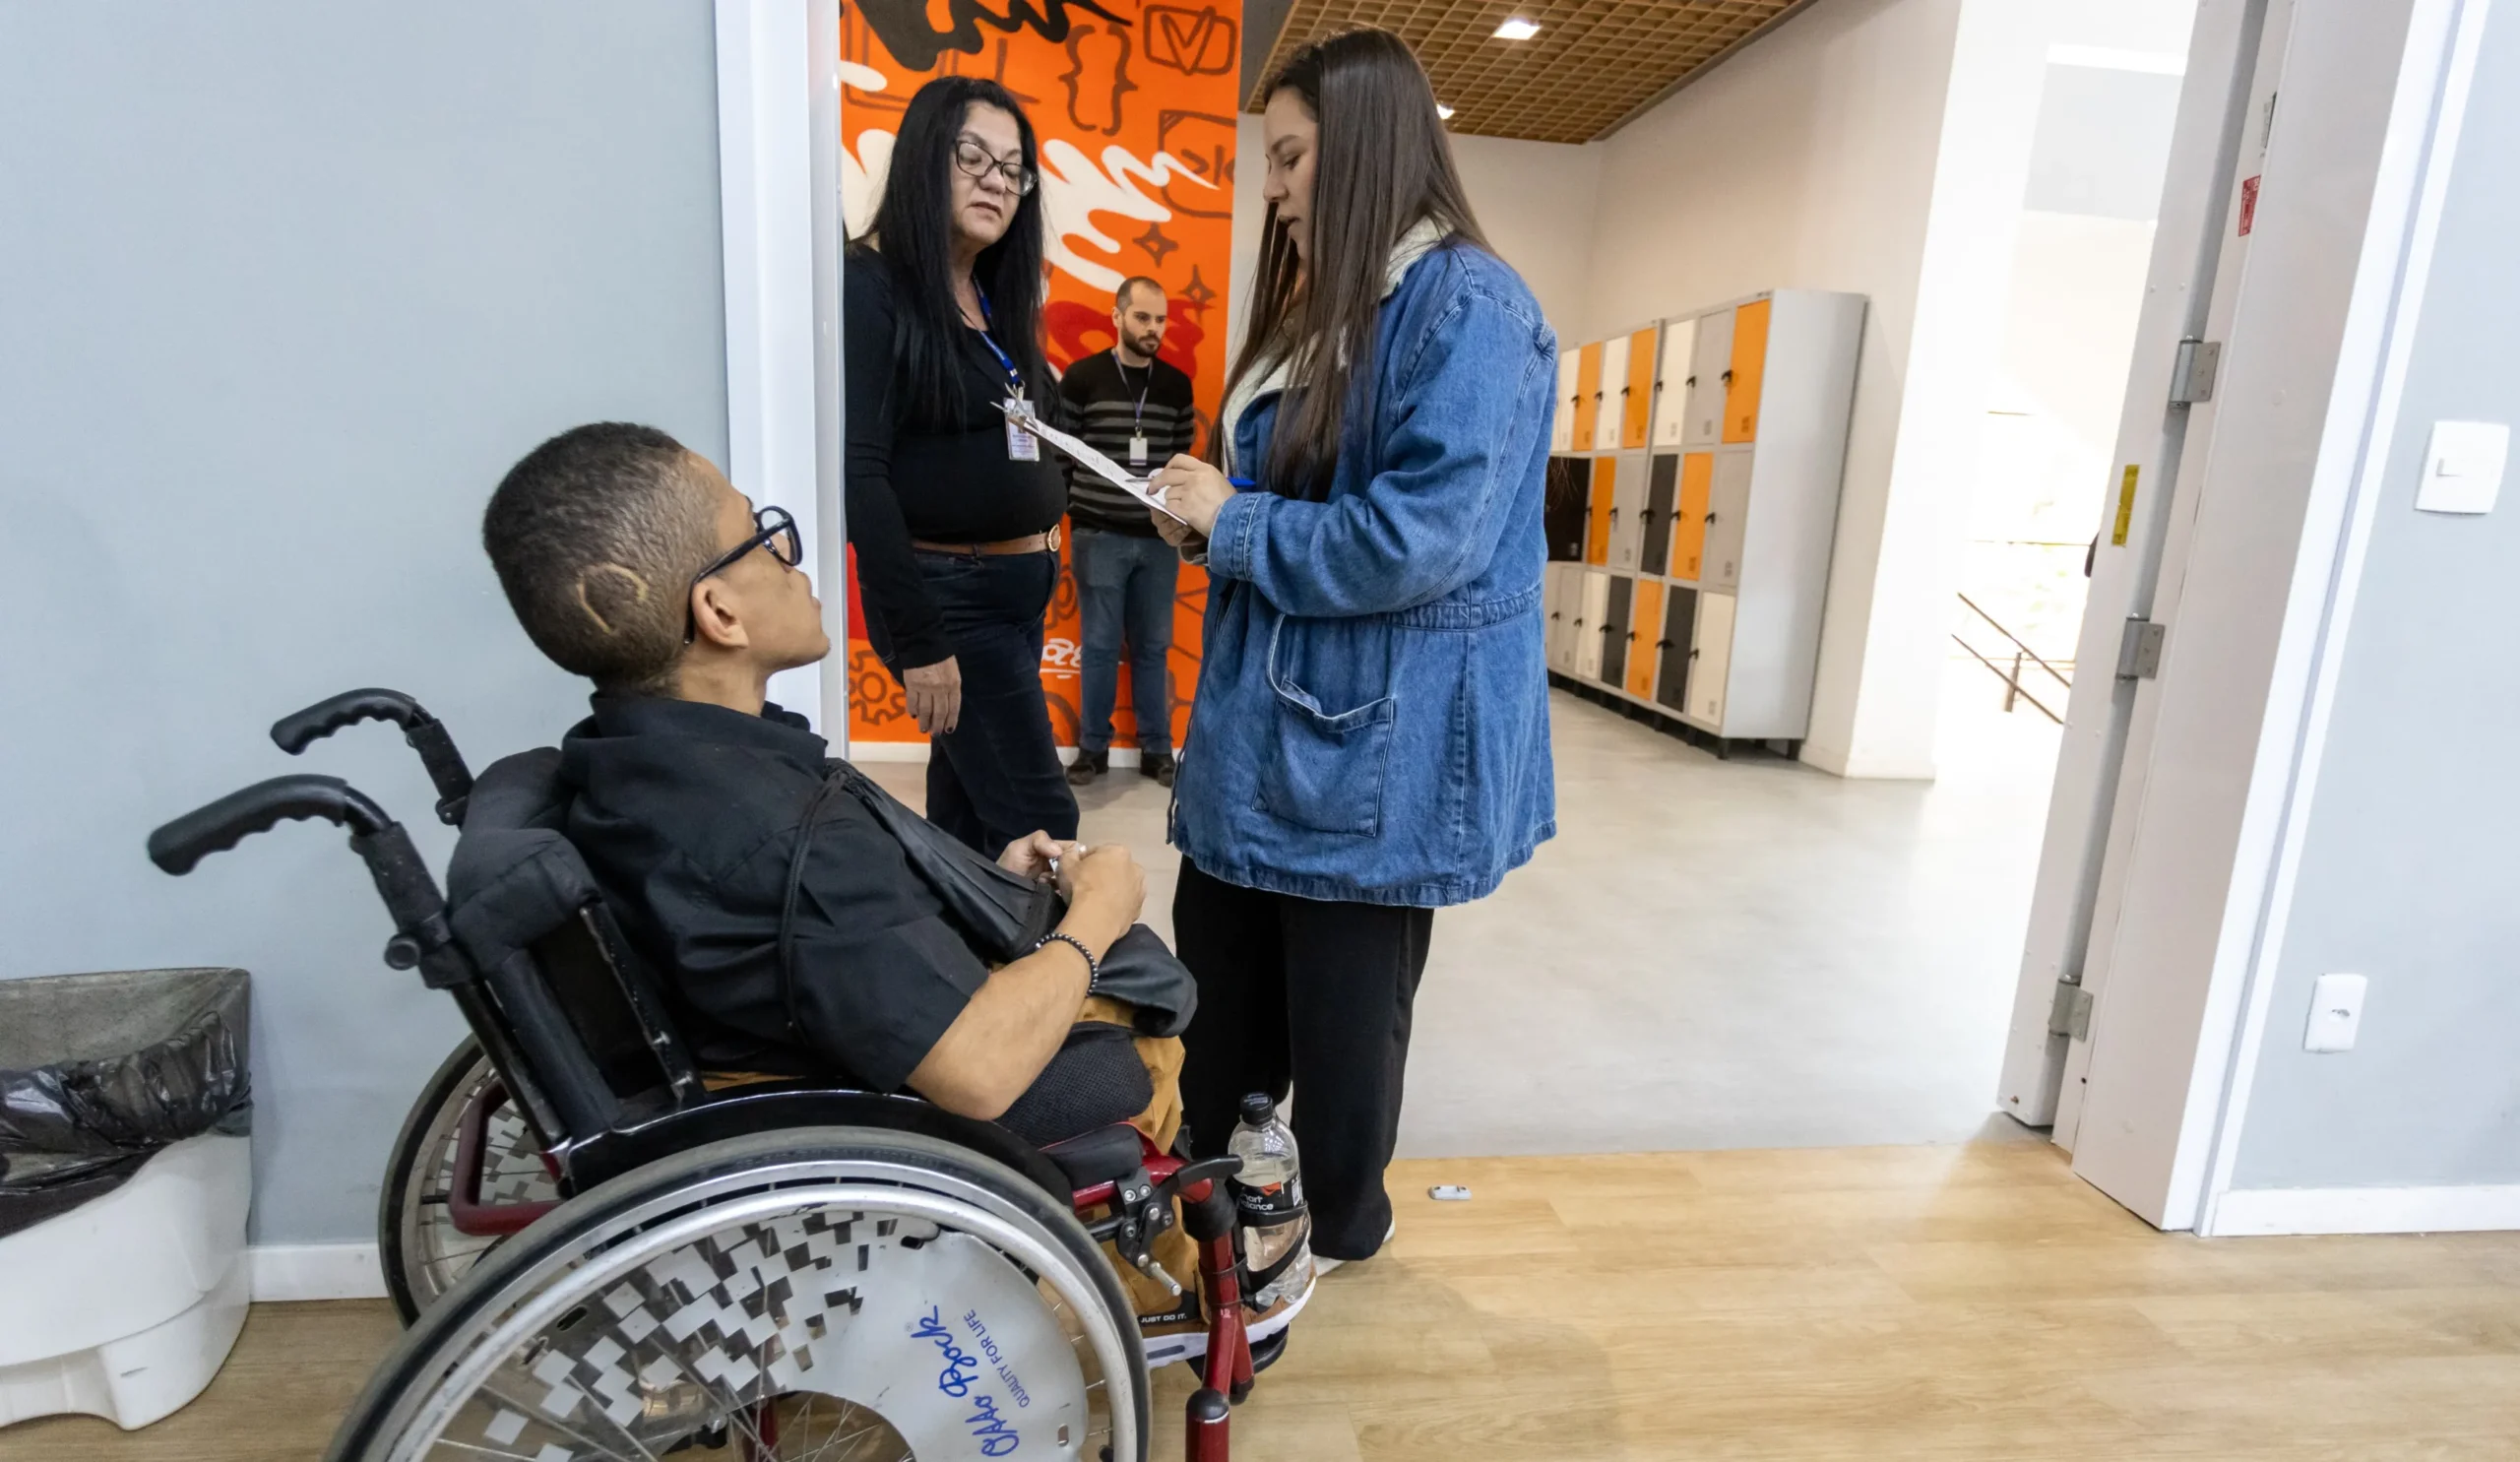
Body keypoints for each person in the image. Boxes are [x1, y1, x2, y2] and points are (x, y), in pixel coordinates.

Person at [1146, 29, 1557, 1271]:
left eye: (1287, 156)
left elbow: (1421, 539)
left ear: (1364, 143)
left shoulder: (1472, 306)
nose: (1270, 187)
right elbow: (1290, 502)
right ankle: (1203, 1217)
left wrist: (1240, 520)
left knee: (1341, 1033)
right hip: (1262, 737)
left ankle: (1336, 1238)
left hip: (1367, 762)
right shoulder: (1319, 308)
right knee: (1214, 1002)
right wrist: (1205, 515)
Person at [479, 422, 1151, 1147]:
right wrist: (1097, 916)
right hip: (906, 1114)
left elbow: (823, 932)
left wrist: (974, 886)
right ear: (719, 611)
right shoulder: (787, 836)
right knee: (1153, 1021)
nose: (790, 559)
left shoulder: (630, 761)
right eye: (761, 538)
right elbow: (979, 1068)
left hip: (820, 1030)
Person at [844, 76, 1074, 856]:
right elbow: (862, 473)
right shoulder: (872, 286)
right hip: (957, 606)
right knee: (1046, 831)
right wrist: (920, 641)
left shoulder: (986, 294)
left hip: (1012, 599)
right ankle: (1046, 977)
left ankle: (965, 972)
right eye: (973, 156)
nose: (996, 181)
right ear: (923, 158)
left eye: (1013, 170)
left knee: (974, 821)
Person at [1057, 277, 1197, 789]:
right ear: (1117, 317)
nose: (1153, 328)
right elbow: (1064, 457)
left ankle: (1157, 751)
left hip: (1159, 540)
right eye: (1142, 317)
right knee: (1097, 646)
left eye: (1161, 319)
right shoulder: (1082, 378)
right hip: (1098, 535)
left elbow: (1180, 458)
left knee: (1152, 647)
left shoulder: (1176, 386)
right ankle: (1091, 750)